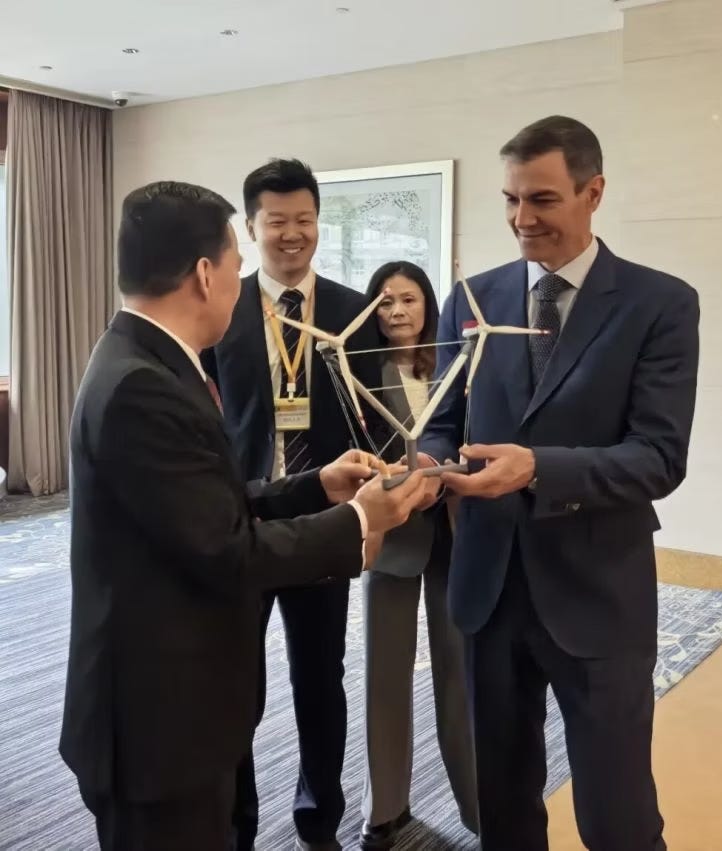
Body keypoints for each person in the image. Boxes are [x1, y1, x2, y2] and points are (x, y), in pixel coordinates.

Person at [60, 180, 426, 851]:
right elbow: (226, 548)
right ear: (206, 274)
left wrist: (316, 485)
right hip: (157, 726)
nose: (240, 280)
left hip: (171, 709)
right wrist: (357, 523)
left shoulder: (145, 360)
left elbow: (202, 504)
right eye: (236, 261)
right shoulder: (143, 385)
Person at [418, 116, 700, 850]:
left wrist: (539, 468)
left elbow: (659, 457)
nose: (522, 219)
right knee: (503, 805)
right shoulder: (471, 299)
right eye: (510, 199)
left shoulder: (659, 304)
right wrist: (425, 464)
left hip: (597, 592)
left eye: (541, 199)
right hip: (487, 587)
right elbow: (442, 422)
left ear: (593, 192)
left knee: (618, 813)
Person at [201, 158, 381, 851]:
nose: (292, 233)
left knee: (320, 677)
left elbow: (371, 417)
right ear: (251, 228)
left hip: (324, 520)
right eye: (277, 221)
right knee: (233, 681)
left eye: (304, 219)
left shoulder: (352, 310)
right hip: (241, 517)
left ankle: (318, 819)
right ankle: (237, 826)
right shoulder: (222, 309)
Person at [359, 262, 478, 850]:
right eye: (384, 302)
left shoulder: (459, 365)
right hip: (392, 537)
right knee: (385, 675)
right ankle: (384, 808)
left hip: (455, 534)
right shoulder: (358, 372)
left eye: (408, 299)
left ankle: (479, 807)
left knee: (460, 673)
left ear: (429, 305)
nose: (397, 311)